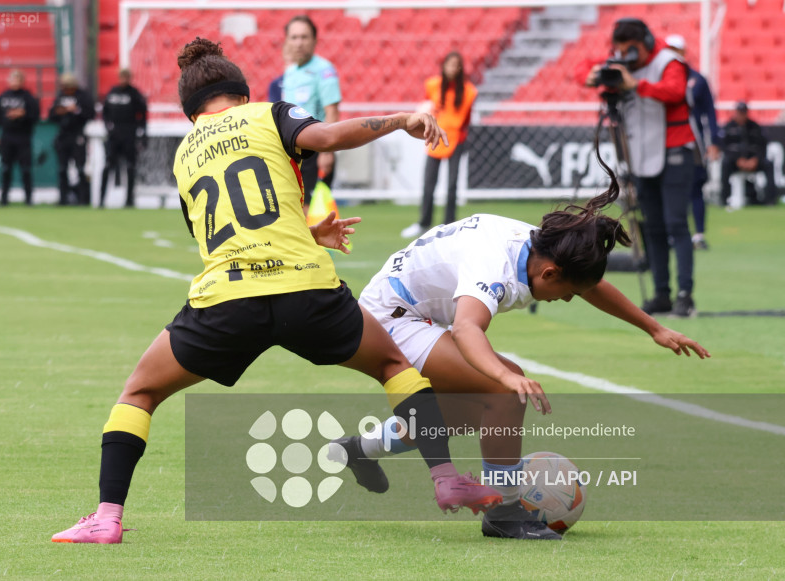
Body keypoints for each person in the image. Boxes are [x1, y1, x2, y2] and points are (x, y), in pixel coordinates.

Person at [51, 37, 501, 544]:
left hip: (227, 301)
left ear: (191, 110)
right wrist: (401, 119)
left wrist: (303, 232)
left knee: (140, 391)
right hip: (306, 290)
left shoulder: (185, 155)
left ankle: (107, 517)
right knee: (393, 366)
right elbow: (327, 138)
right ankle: (445, 480)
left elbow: (224, 234)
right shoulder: (268, 114)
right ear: (241, 94)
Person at [332, 152, 710, 541]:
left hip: (410, 310)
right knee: (504, 390)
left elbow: (590, 285)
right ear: (550, 273)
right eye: (567, 293)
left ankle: (360, 448)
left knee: (475, 409)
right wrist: (502, 376)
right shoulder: (494, 267)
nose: (567, 300)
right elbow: (466, 329)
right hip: (390, 318)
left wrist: (653, 329)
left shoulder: (542, 247)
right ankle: (505, 512)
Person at [576, 18, 697, 318]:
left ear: (644, 42)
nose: (629, 55)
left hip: (673, 150)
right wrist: (591, 76)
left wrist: (637, 84)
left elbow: (675, 91)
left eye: (632, 50)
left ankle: (685, 294)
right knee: (652, 227)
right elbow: (587, 71)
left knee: (676, 224)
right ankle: (661, 294)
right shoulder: (621, 63)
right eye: (621, 50)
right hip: (641, 155)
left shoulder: (669, 61)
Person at [401, 52, 478, 239]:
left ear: (460, 68)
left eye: (456, 65)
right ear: (443, 66)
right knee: (429, 182)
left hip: (455, 139)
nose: (452, 68)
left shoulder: (469, 91)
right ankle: (423, 222)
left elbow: (466, 119)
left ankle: (450, 225)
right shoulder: (432, 85)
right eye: (449, 64)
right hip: (434, 137)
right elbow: (429, 107)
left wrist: (460, 137)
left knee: (452, 185)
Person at [665, 34, 720, 250]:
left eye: (675, 49)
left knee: (696, 188)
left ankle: (698, 234)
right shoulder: (660, 79)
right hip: (667, 141)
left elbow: (710, 112)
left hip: (693, 140)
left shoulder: (697, 79)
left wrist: (713, 141)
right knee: (669, 189)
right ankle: (672, 234)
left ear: (683, 52)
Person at [281, 15, 341, 212]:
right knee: (292, 210)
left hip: (313, 150)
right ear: (287, 40)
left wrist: (327, 151)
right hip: (291, 151)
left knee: (310, 212)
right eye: (294, 37)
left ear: (315, 40)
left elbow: (331, 111)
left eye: (304, 37)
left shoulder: (324, 70)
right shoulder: (290, 72)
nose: (299, 43)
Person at [0, 69, 39, 206]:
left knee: (25, 169)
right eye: (12, 79)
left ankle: (29, 199)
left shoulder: (28, 97)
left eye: (17, 79)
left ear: (22, 81)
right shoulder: (3, 96)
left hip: (23, 137)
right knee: (6, 168)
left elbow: (35, 116)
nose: (15, 82)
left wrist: (22, 115)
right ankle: (4, 198)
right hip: (7, 137)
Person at [100, 68, 148, 208]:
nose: (124, 80)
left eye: (126, 77)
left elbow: (143, 114)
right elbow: (105, 112)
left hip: (129, 134)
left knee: (130, 167)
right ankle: (101, 199)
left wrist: (141, 132)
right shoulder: (112, 92)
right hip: (114, 136)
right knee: (108, 166)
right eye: (122, 77)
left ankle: (129, 200)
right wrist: (108, 127)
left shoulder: (134, 94)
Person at [48, 73, 95, 205]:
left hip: (78, 135)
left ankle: (83, 199)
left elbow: (90, 114)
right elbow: (51, 115)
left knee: (80, 168)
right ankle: (63, 199)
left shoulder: (83, 96)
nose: (66, 89)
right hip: (63, 136)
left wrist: (76, 110)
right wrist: (61, 112)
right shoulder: (61, 96)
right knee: (62, 168)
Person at [719, 101, 778, 207]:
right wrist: (737, 159)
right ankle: (724, 199)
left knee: (769, 164)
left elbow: (762, 146)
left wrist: (755, 159)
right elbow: (725, 148)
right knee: (725, 163)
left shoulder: (755, 127)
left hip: (753, 161)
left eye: (744, 113)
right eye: (739, 112)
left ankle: (770, 200)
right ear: (735, 112)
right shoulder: (728, 127)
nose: (742, 115)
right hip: (735, 162)